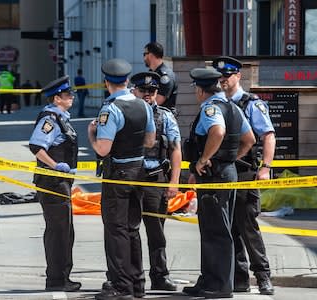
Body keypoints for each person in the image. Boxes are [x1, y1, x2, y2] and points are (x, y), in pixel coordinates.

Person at [182, 68, 255, 299]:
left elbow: (218, 131)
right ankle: (208, 279)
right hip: (225, 172)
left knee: (217, 231)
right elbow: (249, 139)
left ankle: (221, 285)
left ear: (201, 90)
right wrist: (231, 159)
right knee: (212, 228)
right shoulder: (233, 107)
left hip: (215, 175)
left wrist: (205, 159)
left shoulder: (211, 108)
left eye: (196, 88)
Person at [88, 58, 156, 300]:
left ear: (107, 83)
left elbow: (103, 149)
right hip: (138, 171)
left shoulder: (111, 109)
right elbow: (150, 141)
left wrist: (91, 135)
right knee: (132, 229)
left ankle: (120, 286)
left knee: (115, 230)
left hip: (117, 174)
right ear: (127, 81)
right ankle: (137, 283)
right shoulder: (144, 106)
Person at [213, 56, 276, 295]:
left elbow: (268, 135)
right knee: (230, 228)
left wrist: (265, 168)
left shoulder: (251, 103)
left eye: (227, 76)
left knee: (248, 226)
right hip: (224, 172)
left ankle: (263, 277)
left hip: (245, 170)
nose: (223, 80)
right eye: (220, 77)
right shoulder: (217, 103)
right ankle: (239, 278)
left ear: (238, 76)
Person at [28, 75, 81, 292]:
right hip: (52, 182)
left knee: (64, 231)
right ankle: (57, 280)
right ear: (57, 98)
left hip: (61, 182)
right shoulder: (49, 119)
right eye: (68, 95)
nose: (72, 97)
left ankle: (61, 277)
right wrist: (54, 165)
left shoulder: (61, 118)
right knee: (59, 232)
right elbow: (36, 146)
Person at [130, 71, 181, 292]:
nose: (148, 95)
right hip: (129, 179)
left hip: (155, 179)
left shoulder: (166, 116)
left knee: (156, 232)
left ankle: (160, 275)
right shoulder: (125, 113)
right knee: (128, 231)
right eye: (143, 90)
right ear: (134, 91)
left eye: (152, 91)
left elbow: (176, 149)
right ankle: (132, 277)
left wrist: (174, 182)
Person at [143, 42, 178, 115]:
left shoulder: (165, 76)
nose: (144, 58)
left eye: (144, 54)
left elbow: (158, 100)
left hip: (164, 119)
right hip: (153, 114)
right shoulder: (151, 73)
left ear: (151, 55)